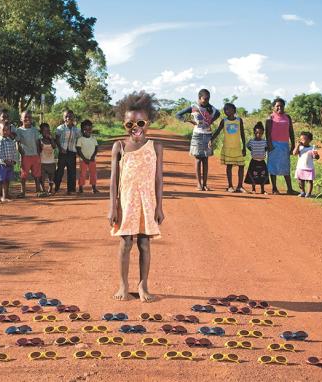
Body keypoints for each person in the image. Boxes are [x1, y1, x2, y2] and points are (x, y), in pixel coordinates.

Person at [108, 93, 164, 303]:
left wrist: (159, 207)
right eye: (130, 123)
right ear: (124, 124)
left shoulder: (156, 147)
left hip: (147, 203)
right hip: (126, 202)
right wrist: (112, 207)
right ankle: (123, 284)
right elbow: (114, 181)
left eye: (140, 122)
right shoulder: (119, 147)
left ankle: (143, 284)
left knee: (144, 244)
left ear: (148, 122)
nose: (135, 127)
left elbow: (159, 180)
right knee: (125, 243)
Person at [175, 89, 220, 191]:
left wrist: (211, 121)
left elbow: (218, 114)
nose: (207, 101)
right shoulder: (193, 107)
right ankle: (199, 184)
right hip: (197, 135)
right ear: (199, 98)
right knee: (198, 159)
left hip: (208, 135)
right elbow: (178, 114)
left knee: (205, 159)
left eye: (208, 99)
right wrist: (188, 120)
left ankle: (205, 184)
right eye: (205, 99)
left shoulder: (211, 108)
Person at [210, 103, 246, 193]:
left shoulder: (239, 120)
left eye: (229, 109)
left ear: (234, 110)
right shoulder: (224, 121)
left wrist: (244, 147)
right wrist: (211, 140)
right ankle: (230, 186)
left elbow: (242, 134)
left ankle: (240, 186)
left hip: (237, 147)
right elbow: (218, 131)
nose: (227, 111)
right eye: (225, 110)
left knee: (241, 166)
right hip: (228, 147)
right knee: (229, 166)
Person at [265, 98, 297, 195]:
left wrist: (293, 145)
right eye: (277, 106)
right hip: (273, 145)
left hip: (284, 145)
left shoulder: (287, 117)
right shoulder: (270, 118)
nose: (279, 107)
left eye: (281, 105)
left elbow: (291, 132)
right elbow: (267, 133)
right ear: (273, 107)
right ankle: (274, 189)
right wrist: (270, 145)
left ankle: (290, 189)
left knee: (285, 167)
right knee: (273, 167)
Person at [15, 110, 42, 197]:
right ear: (21, 119)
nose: (28, 119)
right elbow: (17, 142)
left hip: (35, 155)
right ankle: (23, 192)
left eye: (29, 117)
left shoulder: (35, 130)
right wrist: (21, 152)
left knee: (36, 174)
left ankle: (38, 190)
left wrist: (38, 154)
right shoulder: (19, 130)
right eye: (25, 117)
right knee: (24, 174)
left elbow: (38, 142)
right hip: (25, 155)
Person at [55, 110, 81, 194]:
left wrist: (77, 150)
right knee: (60, 171)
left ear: (73, 117)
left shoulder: (76, 129)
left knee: (72, 171)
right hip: (63, 152)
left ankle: (71, 189)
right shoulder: (60, 128)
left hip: (72, 152)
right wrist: (60, 148)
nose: (68, 118)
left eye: (70, 116)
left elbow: (78, 140)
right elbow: (57, 139)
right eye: (66, 116)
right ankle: (56, 188)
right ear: (63, 118)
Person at [244, 122, 270, 194]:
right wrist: (253, 150)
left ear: (263, 133)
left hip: (262, 161)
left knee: (262, 175)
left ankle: (262, 189)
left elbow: (266, 148)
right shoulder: (251, 141)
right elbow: (248, 146)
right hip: (254, 161)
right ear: (254, 132)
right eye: (257, 133)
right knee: (253, 175)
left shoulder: (264, 142)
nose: (258, 134)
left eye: (260, 133)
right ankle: (253, 189)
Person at [0, 122, 17, 202]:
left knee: (7, 180)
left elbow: (14, 151)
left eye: (7, 130)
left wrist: (14, 160)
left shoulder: (11, 141)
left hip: (10, 164)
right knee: (0, 180)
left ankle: (5, 196)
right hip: (2, 164)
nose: (5, 132)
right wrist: (4, 160)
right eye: (3, 130)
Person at [293, 131, 319, 198]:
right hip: (300, 167)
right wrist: (297, 145)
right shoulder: (300, 147)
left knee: (309, 181)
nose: (302, 141)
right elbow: (294, 153)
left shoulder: (312, 148)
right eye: (301, 139)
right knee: (300, 180)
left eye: (303, 139)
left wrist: (316, 155)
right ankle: (302, 192)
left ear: (309, 140)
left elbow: (315, 157)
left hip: (309, 167)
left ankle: (309, 193)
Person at [76, 119, 99, 194]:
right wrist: (84, 158)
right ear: (82, 130)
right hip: (83, 160)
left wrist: (93, 156)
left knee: (93, 173)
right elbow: (78, 150)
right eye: (85, 129)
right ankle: (81, 188)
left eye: (89, 129)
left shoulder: (93, 139)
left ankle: (94, 187)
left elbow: (96, 148)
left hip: (92, 160)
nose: (88, 131)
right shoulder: (80, 139)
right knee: (82, 174)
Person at [39, 123, 57, 195]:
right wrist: (40, 145)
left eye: (48, 130)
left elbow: (54, 146)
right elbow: (39, 151)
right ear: (41, 132)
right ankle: (42, 189)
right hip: (42, 162)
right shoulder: (40, 140)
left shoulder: (52, 140)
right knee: (42, 178)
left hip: (51, 162)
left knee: (51, 177)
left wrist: (51, 139)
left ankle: (50, 189)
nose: (47, 132)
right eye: (45, 131)